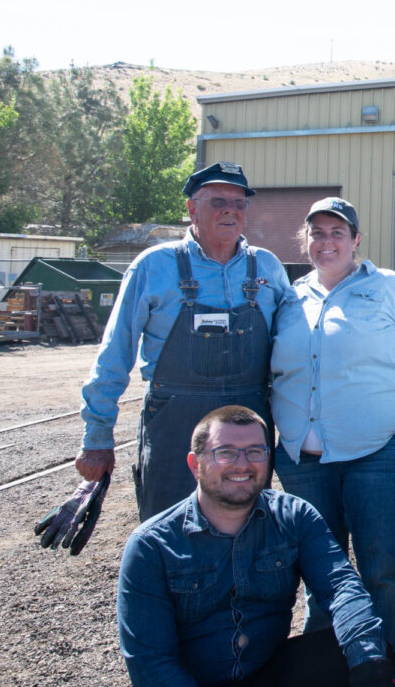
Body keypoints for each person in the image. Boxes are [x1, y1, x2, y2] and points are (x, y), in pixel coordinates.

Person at [270, 197, 395, 687]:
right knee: (319, 581)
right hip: (303, 464)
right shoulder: (288, 299)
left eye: (337, 232)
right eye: (317, 233)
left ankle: (394, 675)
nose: (326, 242)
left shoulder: (392, 291)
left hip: (378, 458)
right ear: (304, 241)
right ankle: (327, 675)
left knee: (381, 575)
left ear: (356, 240)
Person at [117, 406, 395, 687]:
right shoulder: (151, 546)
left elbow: (341, 587)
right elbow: (150, 661)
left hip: (270, 668)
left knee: (368, 655)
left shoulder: (294, 517)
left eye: (254, 451)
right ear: (194, 464)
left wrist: (368, 660)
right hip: (195, 680)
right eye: (225, 452)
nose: (242, 464)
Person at [78, 161, 294, 521]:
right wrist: (97, 438)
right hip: (174, 426)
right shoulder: (154, 266)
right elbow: (114, 355)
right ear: (192, 209)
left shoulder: (267, 268)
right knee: (169, 529)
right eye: (218, 202)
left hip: (247, 423)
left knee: (245, 526)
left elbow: (296, 349)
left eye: (239, 203)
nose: (230, 210)